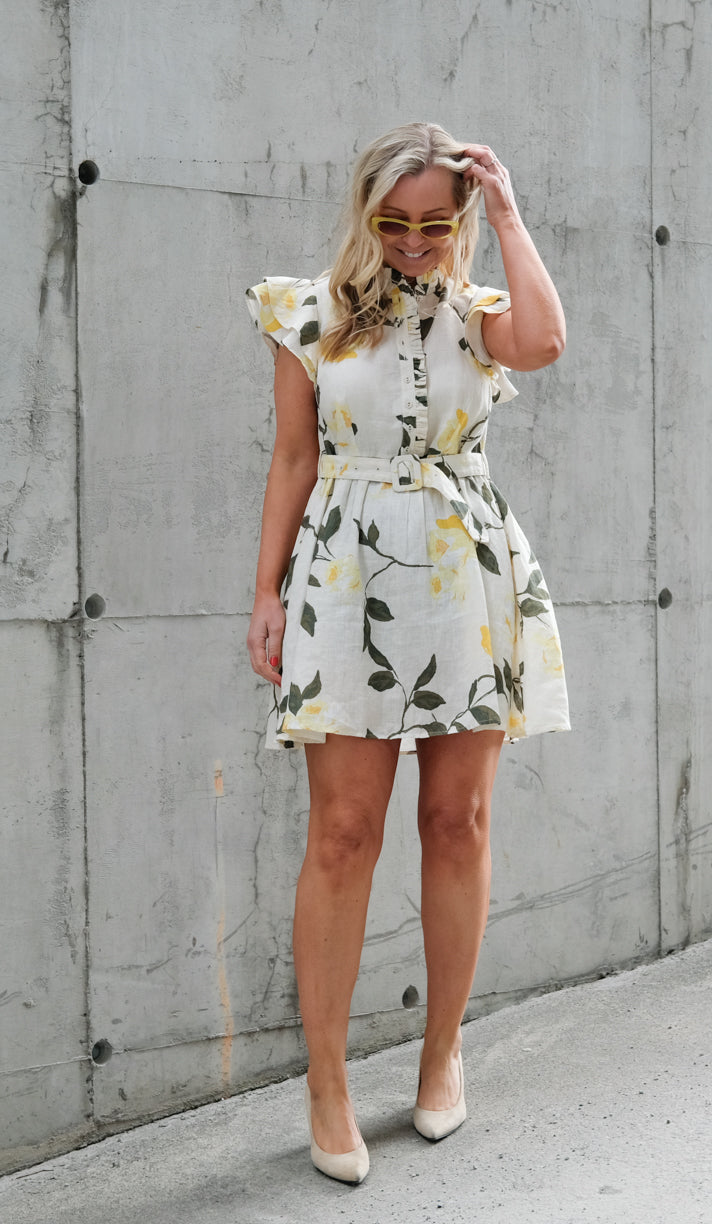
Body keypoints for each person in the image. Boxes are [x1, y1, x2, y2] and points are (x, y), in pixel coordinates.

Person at [245, 121, 569, 1184]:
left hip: (467, 577)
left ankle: (442, 1053)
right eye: (395, 220)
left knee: (456, 820)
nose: (416, 240)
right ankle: (327, 1082)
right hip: (345, 576)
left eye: (437, 221)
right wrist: (266, 595)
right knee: (344, 831)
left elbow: (546, 342)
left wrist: (506, 211)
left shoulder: (479, 316)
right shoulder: (306, 313)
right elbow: (294, 459)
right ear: (365, 210)